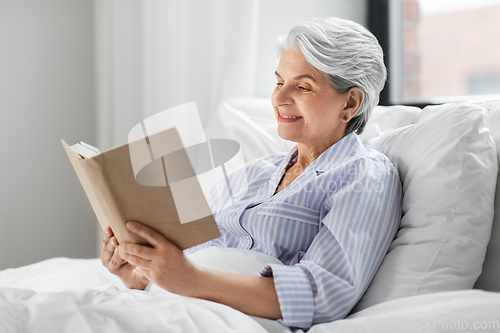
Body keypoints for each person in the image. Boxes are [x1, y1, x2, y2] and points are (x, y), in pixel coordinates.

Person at [101, 17, 402, 329]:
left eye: (302, 86)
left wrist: (188, 279)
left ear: (350, 103)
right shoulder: (252, 174)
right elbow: (185, 266)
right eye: (278, 82)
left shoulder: (363, 175)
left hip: (230, 321)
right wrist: (139, 274)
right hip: (170, 307)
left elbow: (323, 295)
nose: (279, 99)